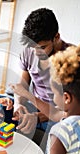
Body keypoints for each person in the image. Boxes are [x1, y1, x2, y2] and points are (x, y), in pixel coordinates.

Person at [12, 8, 72, 136]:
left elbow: (68, 111)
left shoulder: (73, 59)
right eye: (32, 47)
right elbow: (22, 86)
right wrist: (18, 104)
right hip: (33, 107)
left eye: (42, 47)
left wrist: (37, 117)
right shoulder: (29, 51)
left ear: (56, 37)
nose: (35, 52)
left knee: (66, 130)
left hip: (57, 117)